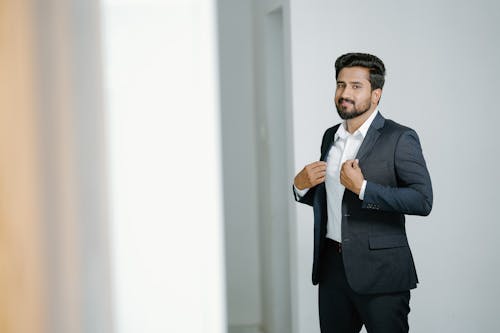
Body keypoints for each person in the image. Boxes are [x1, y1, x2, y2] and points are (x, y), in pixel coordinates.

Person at [293, 52, 433, 333]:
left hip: (382, 273)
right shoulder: (330, 135)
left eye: (356, 86)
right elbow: (332, 199)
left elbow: (422, 199)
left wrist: (364, 188)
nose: (345, 93)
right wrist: (299, 186)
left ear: (376, 94)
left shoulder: (399, 138)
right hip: (332, 268)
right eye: (341, 85)